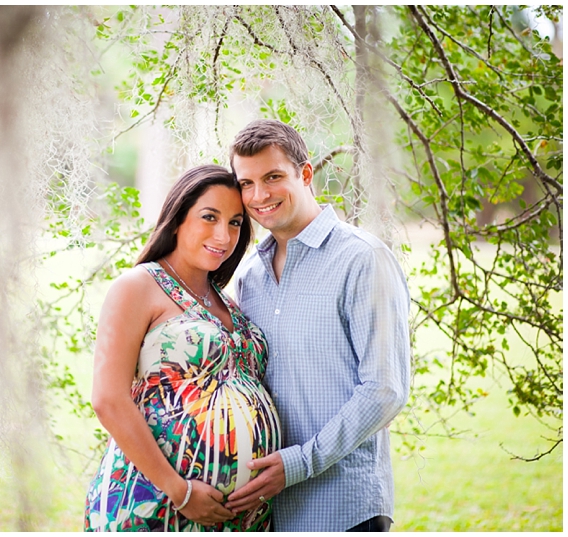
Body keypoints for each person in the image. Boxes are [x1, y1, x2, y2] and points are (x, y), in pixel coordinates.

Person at [224, 119, 411, 532]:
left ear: (305, 174)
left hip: (344, 506)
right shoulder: (250, 274)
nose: (259, 195)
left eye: (273, 177)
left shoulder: (363, 259)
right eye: (247, 183)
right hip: (267, 512)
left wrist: (298, 463)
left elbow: (385, 389)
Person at [84, 164, 282, 531]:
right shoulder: (138, 286)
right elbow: (108, 398)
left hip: (237, 520)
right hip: (155, 503)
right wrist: (181, 491)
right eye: (210, 217)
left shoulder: (228, 303)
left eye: (236, 223)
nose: (223, 235)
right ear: (177, 220)